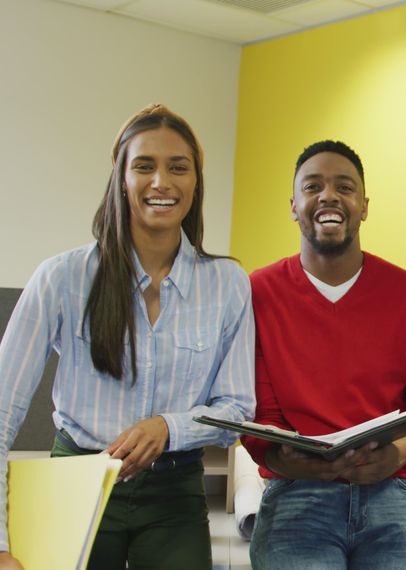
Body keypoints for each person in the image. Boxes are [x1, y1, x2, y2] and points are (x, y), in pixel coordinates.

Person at [0, 104, 255, 570]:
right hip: (75, 486)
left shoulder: (228, 284)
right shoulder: (61, 278)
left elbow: (237, 409)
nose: (161, 182)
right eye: (144, 166)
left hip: (174, 495)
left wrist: (168, 427)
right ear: (121, 177)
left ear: (196, 182)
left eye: (178, 167)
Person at [242, 140, 406, 570]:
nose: (329, 196)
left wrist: (396, 455)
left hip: (394, 489)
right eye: (313, 186)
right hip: (296, 491)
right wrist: (288, 460)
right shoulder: (255, 294)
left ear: (364, 205)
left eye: (344, 187)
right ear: (294, 205)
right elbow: (259, 418)